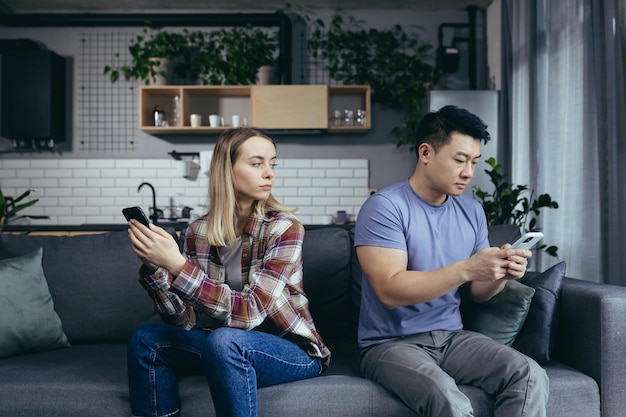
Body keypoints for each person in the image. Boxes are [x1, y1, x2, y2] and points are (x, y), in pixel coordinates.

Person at [354, 105, 549, 417]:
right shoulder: (385, 207)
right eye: (460, 160)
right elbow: (390, 290)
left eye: (474, 162)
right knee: (449, 399)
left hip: (453, 338)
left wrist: (500, 273)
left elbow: (478, 292)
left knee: (529, 375)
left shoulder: (471, 211)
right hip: (391, 344)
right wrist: (468, 267)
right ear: (426, 152)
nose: (469, 172)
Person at [126, 127, 330, 417]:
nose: (269, 172)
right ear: (226, 170)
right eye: (257, 163)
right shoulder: (198, 231)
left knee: (224, 340)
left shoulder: (284, 228)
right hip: (224, 346)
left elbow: (249, 313)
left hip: (291, 350)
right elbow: (184, 322)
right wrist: (156, 269)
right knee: (145, 339)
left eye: (273, 163)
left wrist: (178, 266)